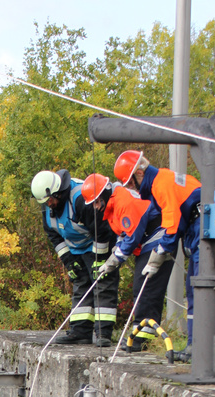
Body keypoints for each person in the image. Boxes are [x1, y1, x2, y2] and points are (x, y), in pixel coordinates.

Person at [113, 150, 201, 356]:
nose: (130, 188)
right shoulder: (158, 184)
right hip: (196, 227)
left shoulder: (162, 184)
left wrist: (159, 253)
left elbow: (171, 226)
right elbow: (153, 220)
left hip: (200, 225)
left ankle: (197, 348)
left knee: (198, 287)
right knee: (194, 287)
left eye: (130, 183)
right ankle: (194, 346)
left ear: (140, 173)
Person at [82, 173, 170, 351]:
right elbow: (123, 235)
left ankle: (142, 339)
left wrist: (114, 260)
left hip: (158, 240)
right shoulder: (112, 208)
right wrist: (114, 256)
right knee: (141, 287)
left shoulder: (123, 201)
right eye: (94, 204)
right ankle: (141, 335)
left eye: (97, 202)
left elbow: (132, 236)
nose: (96, 207)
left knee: (145, 288)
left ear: (105, 193)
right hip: (145, 243)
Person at [31, 168, 119, 347]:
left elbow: (101, 230)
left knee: (102, 282)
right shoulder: (47, 207)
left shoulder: (80, 199)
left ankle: (103, 333)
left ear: (57, 192)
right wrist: (69, 262)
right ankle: (80, 332)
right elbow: (53, 236)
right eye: (46, 202)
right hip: (76, 250)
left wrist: (99, 260)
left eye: (50, 200)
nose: (49, 205)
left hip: (98, 243)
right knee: (81, 284)